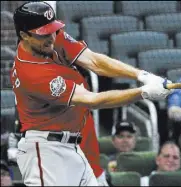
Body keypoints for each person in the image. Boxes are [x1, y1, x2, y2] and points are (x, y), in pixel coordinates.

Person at [11, 2, 172, 186]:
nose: (52, 38)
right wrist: (143, 92)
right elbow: (92, 100)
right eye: (44, 34)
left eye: (53, 30)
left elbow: (94, 61)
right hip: (46, 153)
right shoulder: (32, 73)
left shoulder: (48, 38)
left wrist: (142, 75)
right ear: (24, 35)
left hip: (72, 146)